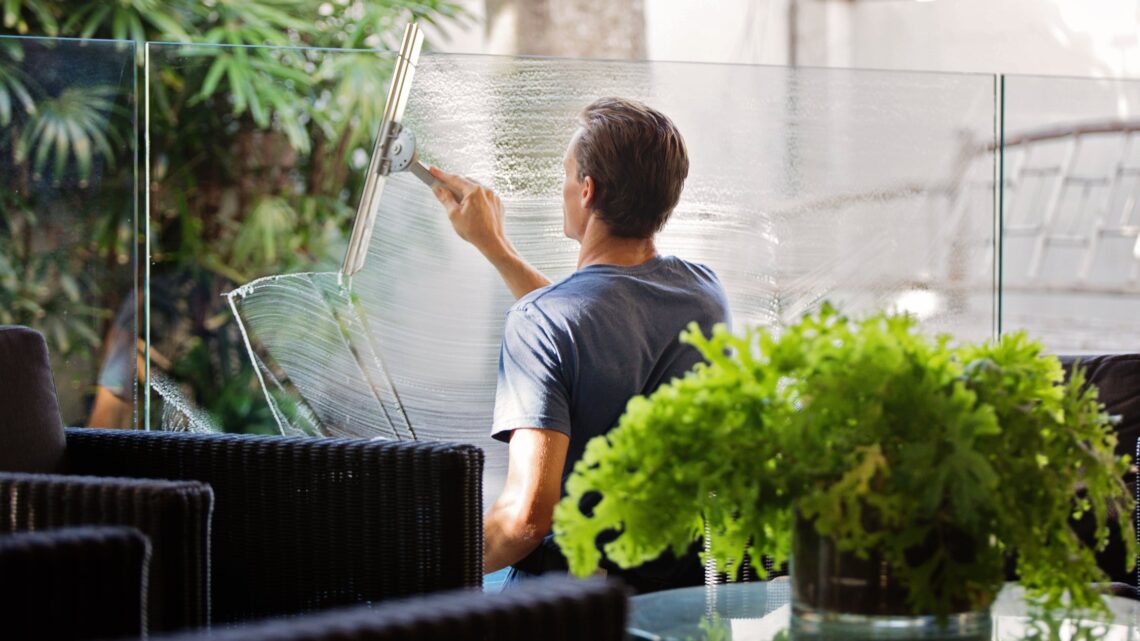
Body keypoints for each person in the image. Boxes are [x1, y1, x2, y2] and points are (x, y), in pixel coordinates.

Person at [428, 97, 730, 593]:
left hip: (570, 604)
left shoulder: (543, 322)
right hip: (676, 595)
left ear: (587, 191)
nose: (564, 187)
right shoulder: (705, 295)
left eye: (566, 174)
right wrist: (496, 248)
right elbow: (598, 321)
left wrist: (417, 565)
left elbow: (525, 521)